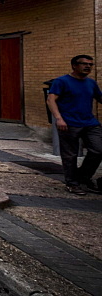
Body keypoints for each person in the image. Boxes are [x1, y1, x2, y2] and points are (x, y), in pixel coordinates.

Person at [47, 54, 102, 195]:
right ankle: (72, 184)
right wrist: (59, 118)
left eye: (90, 64)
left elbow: (100, 98)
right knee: (70, 155)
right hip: (68, 123)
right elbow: (51, 100)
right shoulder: (62, 81)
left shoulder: (91, 83)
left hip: (90, 123)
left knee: (98, 150)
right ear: (74, 66)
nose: (88, 66)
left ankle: (83, 178)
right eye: (84, 64)